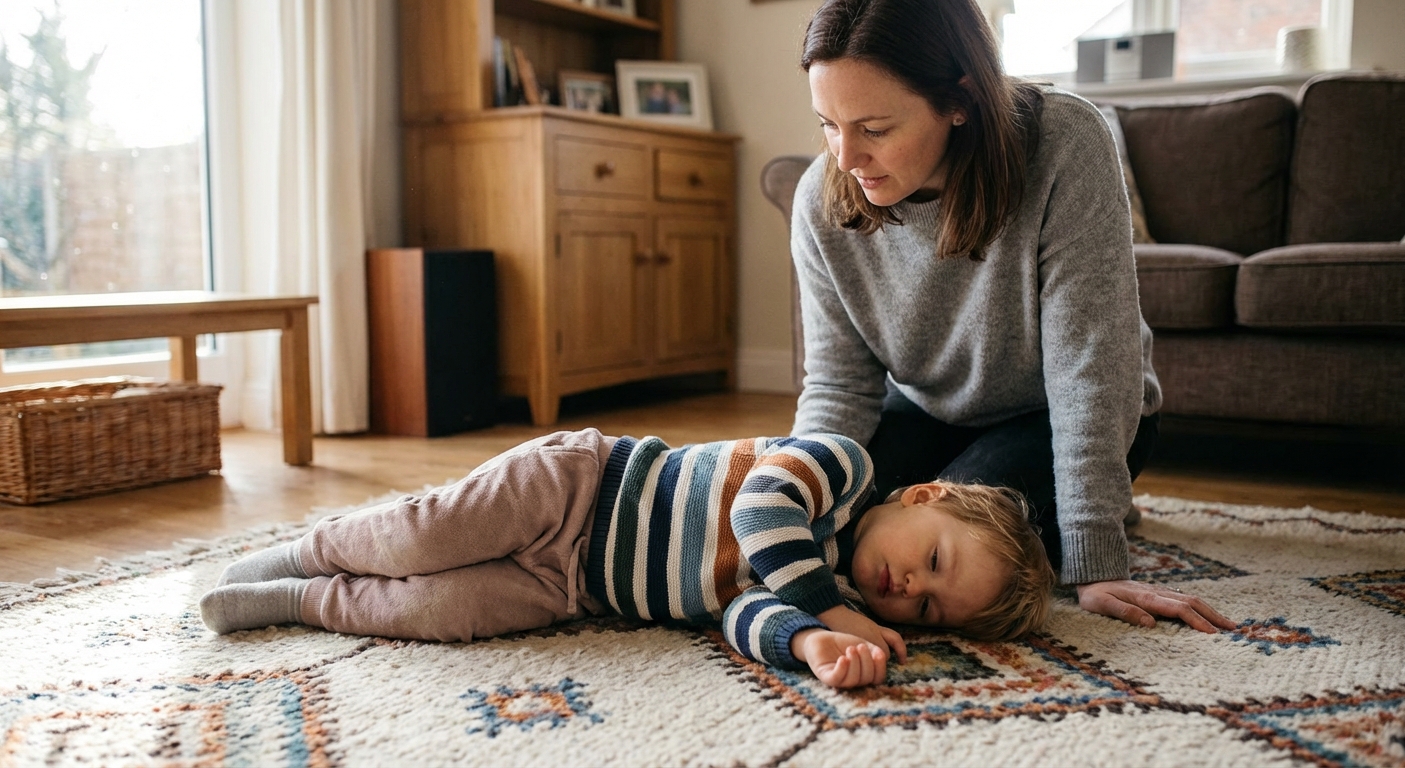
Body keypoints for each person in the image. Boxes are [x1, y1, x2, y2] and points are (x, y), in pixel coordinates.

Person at [790, 0, 1235, 634]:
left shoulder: (1065, 142)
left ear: (959, 99)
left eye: (876, 129)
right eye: (829, 124)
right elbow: (838, 387)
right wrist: (790, 494)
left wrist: (1095, 553)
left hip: (1054, 413)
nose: (846, 157)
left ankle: (1084, 503)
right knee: (844, 531)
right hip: (925, 408)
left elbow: (1091, 368)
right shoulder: (819, 199)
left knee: (957, 557)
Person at [201, 429, 1054, 689]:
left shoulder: (816, 592)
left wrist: (806, 643)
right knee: (419, 536)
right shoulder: (844, 468)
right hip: (578, 486)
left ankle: (302, 604)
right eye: (934, 562)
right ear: (922, 499)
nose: (911, 590)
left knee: (438, 613)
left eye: (931, 610)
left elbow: (738, 612)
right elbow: (759, 509)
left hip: (573, 585)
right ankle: (303, 553)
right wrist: (832, 612)